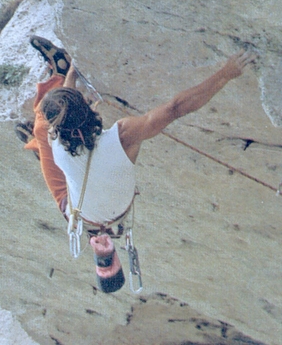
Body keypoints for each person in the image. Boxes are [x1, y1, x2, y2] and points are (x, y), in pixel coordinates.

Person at [17, 36, 255, 291]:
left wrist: (227, 74)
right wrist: (226, 73)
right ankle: (60, 75)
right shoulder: (119, 138)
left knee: (42, 129)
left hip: (79, 206)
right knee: (43, 121)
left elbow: (175, 109)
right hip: (80, 208)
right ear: (88, 106)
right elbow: (175, 108)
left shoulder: (60, 147)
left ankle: (48, 108)